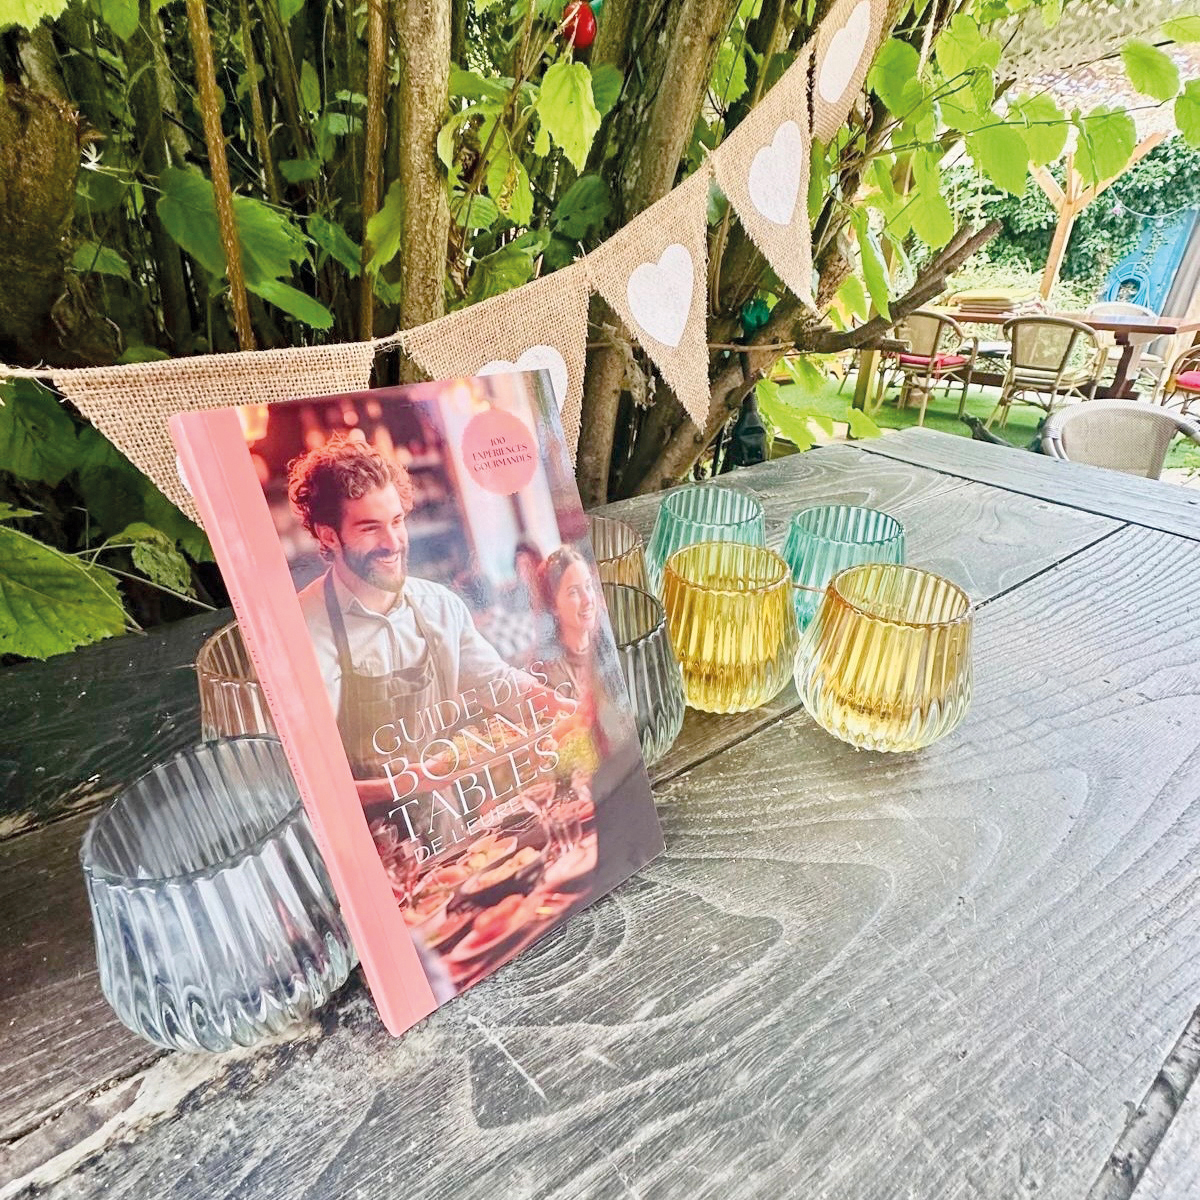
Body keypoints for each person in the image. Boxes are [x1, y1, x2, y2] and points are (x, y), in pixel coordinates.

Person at [287, 435, 563, 819]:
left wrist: (565, 708)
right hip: (365, 832)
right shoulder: (302, 629)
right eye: (369, 528)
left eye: (397, 521)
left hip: (445, 822)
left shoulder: (440, 606)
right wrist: (408, 782)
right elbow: (306, 781)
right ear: (329, 535)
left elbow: (498, 683)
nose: (392, 543)